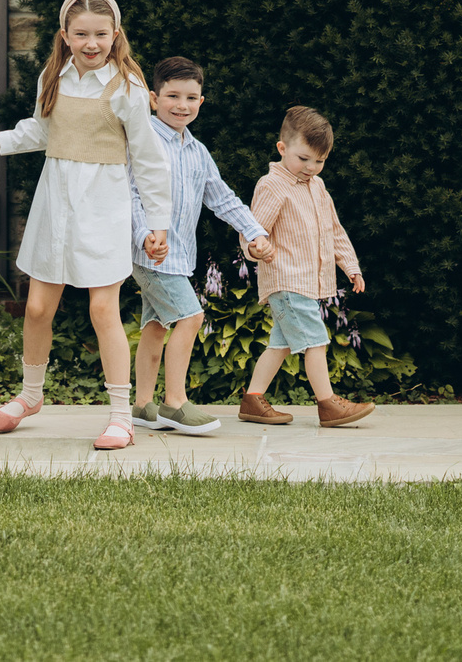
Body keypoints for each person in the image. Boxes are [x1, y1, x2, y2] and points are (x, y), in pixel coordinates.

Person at [0, 0, 174, 451]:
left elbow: (149, 158)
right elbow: (42, 129)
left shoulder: (127, 87)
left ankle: (120, 416)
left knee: (102, 309)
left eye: (101, 34)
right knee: (36, 308)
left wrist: (158, 223)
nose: (92, 43)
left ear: (115, 35)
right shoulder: (54, 74)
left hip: (102, 209)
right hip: (55, 206)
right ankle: (30, 397)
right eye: (82, 34)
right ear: (65, 35)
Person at [126, 56, 276, 434]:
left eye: (191, 98)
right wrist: (143, 234)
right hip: (150, 253)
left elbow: (222, 198)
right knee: (190, 317)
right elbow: (128, 194)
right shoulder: (142, 143)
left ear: (201, 102)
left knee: (157, 325)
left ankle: (143, 405)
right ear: (153, 98)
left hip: (179, 256)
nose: (182, 105)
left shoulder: (197, 152)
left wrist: (255, 231)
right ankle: (175, 403)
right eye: (173, 95)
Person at [240, 104, 376, 427]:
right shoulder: (272, 185)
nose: (312, 167)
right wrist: (256, 247)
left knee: (281, 344)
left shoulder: (318, 187)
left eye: (320, 161)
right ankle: (328, 404)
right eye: (304, 159)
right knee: (316, 340)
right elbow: (252, 229)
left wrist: (351, 265)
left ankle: (252, 399)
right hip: (287, 280)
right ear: (282, 148)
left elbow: (334, 229)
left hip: (307, 282)